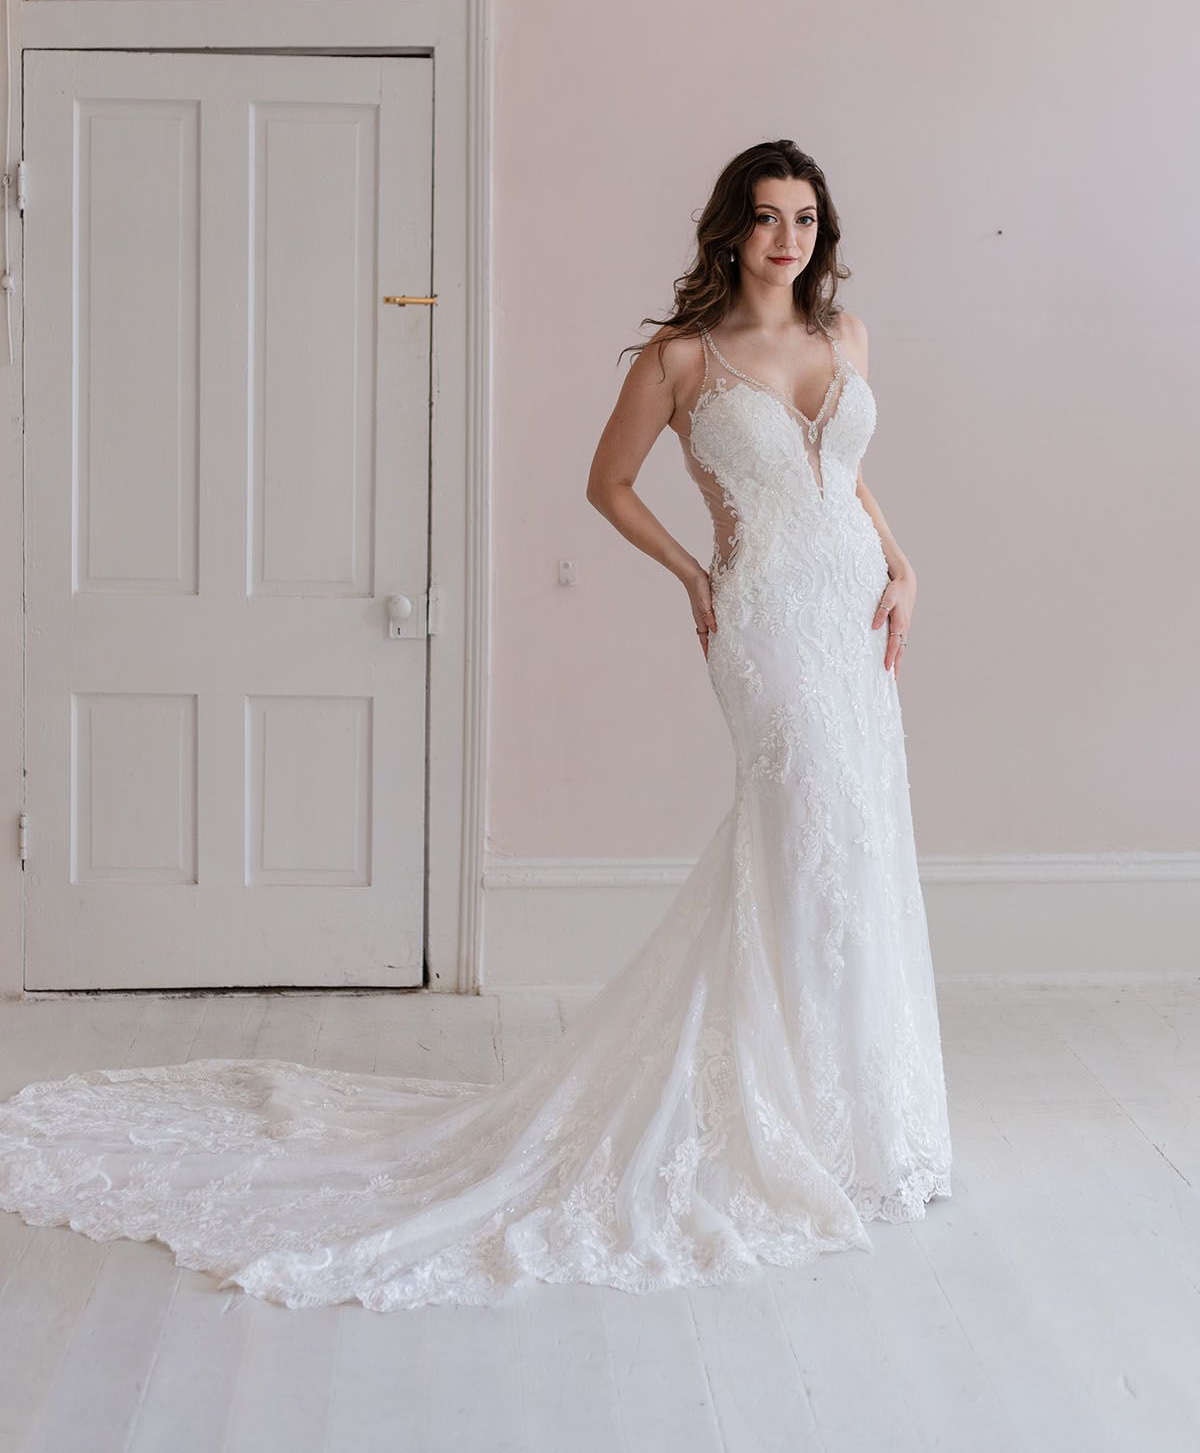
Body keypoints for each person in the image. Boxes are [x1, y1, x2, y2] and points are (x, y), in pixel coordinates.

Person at [0, 139, 951, 1311]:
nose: (788, 239)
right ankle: (780, 1121)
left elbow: (844, 473)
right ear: (730, 231)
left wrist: (905, 566)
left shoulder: (843, 340)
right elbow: (605, 485)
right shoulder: (684, 360)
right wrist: (695, 579)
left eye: (805, 217)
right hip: (764, 618)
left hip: (859, 612)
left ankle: (864, 1122)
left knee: (860, 839)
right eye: (766, 217)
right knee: (802, 830)